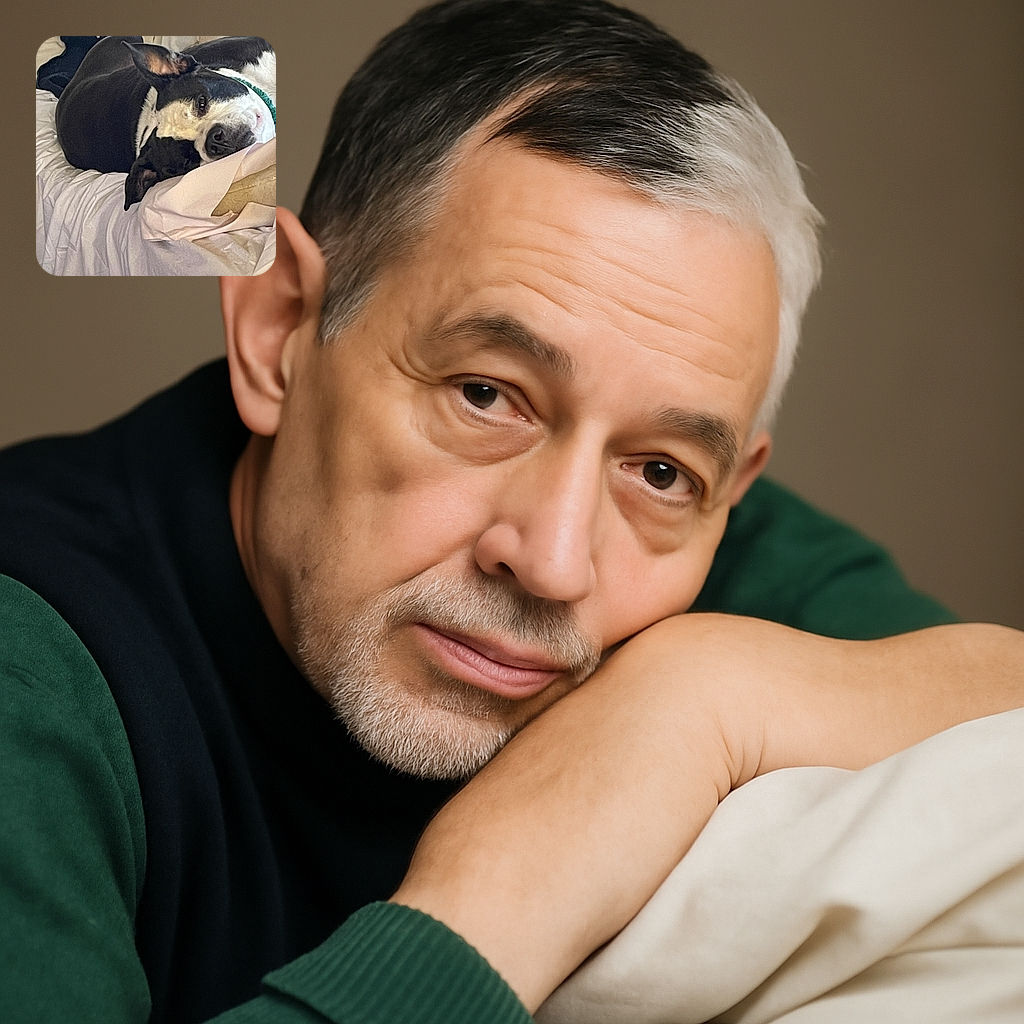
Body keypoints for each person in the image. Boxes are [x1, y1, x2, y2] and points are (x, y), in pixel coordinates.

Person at [1, 1, 1021, 1022]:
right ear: (277, 333)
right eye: (487, 396)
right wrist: (486, 914)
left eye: (661, 469)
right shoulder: (28, 663)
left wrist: (699, 704)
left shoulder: (693, 561)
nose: (555, 558)